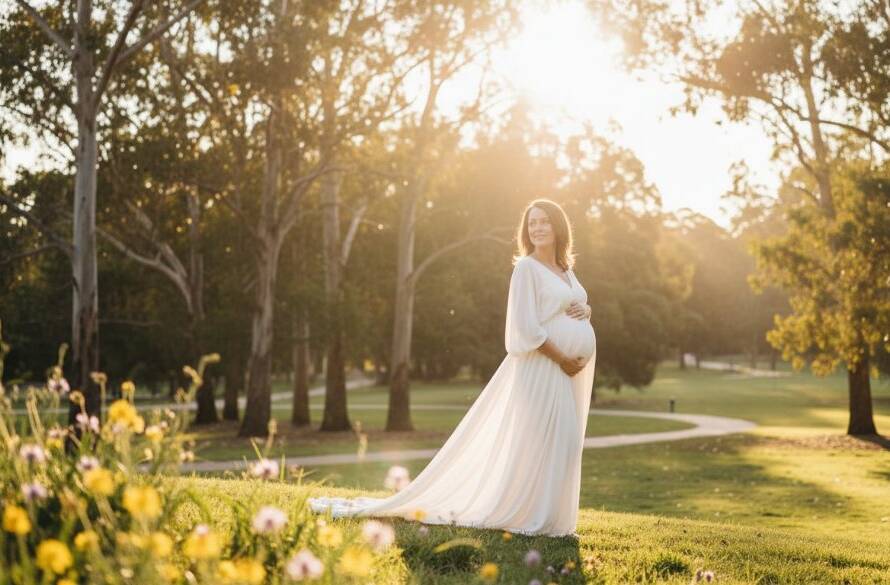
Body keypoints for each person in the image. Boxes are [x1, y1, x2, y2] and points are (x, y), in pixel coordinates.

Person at [307, 198, 596, 536]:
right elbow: (525, 328)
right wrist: (562, 358)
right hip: (544, 368)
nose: (537, 228)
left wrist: (586, 312)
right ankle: (536, 519)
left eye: (544, 221)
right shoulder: (526, 269)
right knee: (551, 441)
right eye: (532, 223)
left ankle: (551, 519)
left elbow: (573, 302)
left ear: (559, 226)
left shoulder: (565, 269)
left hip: (566, 372)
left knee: (567, 443)